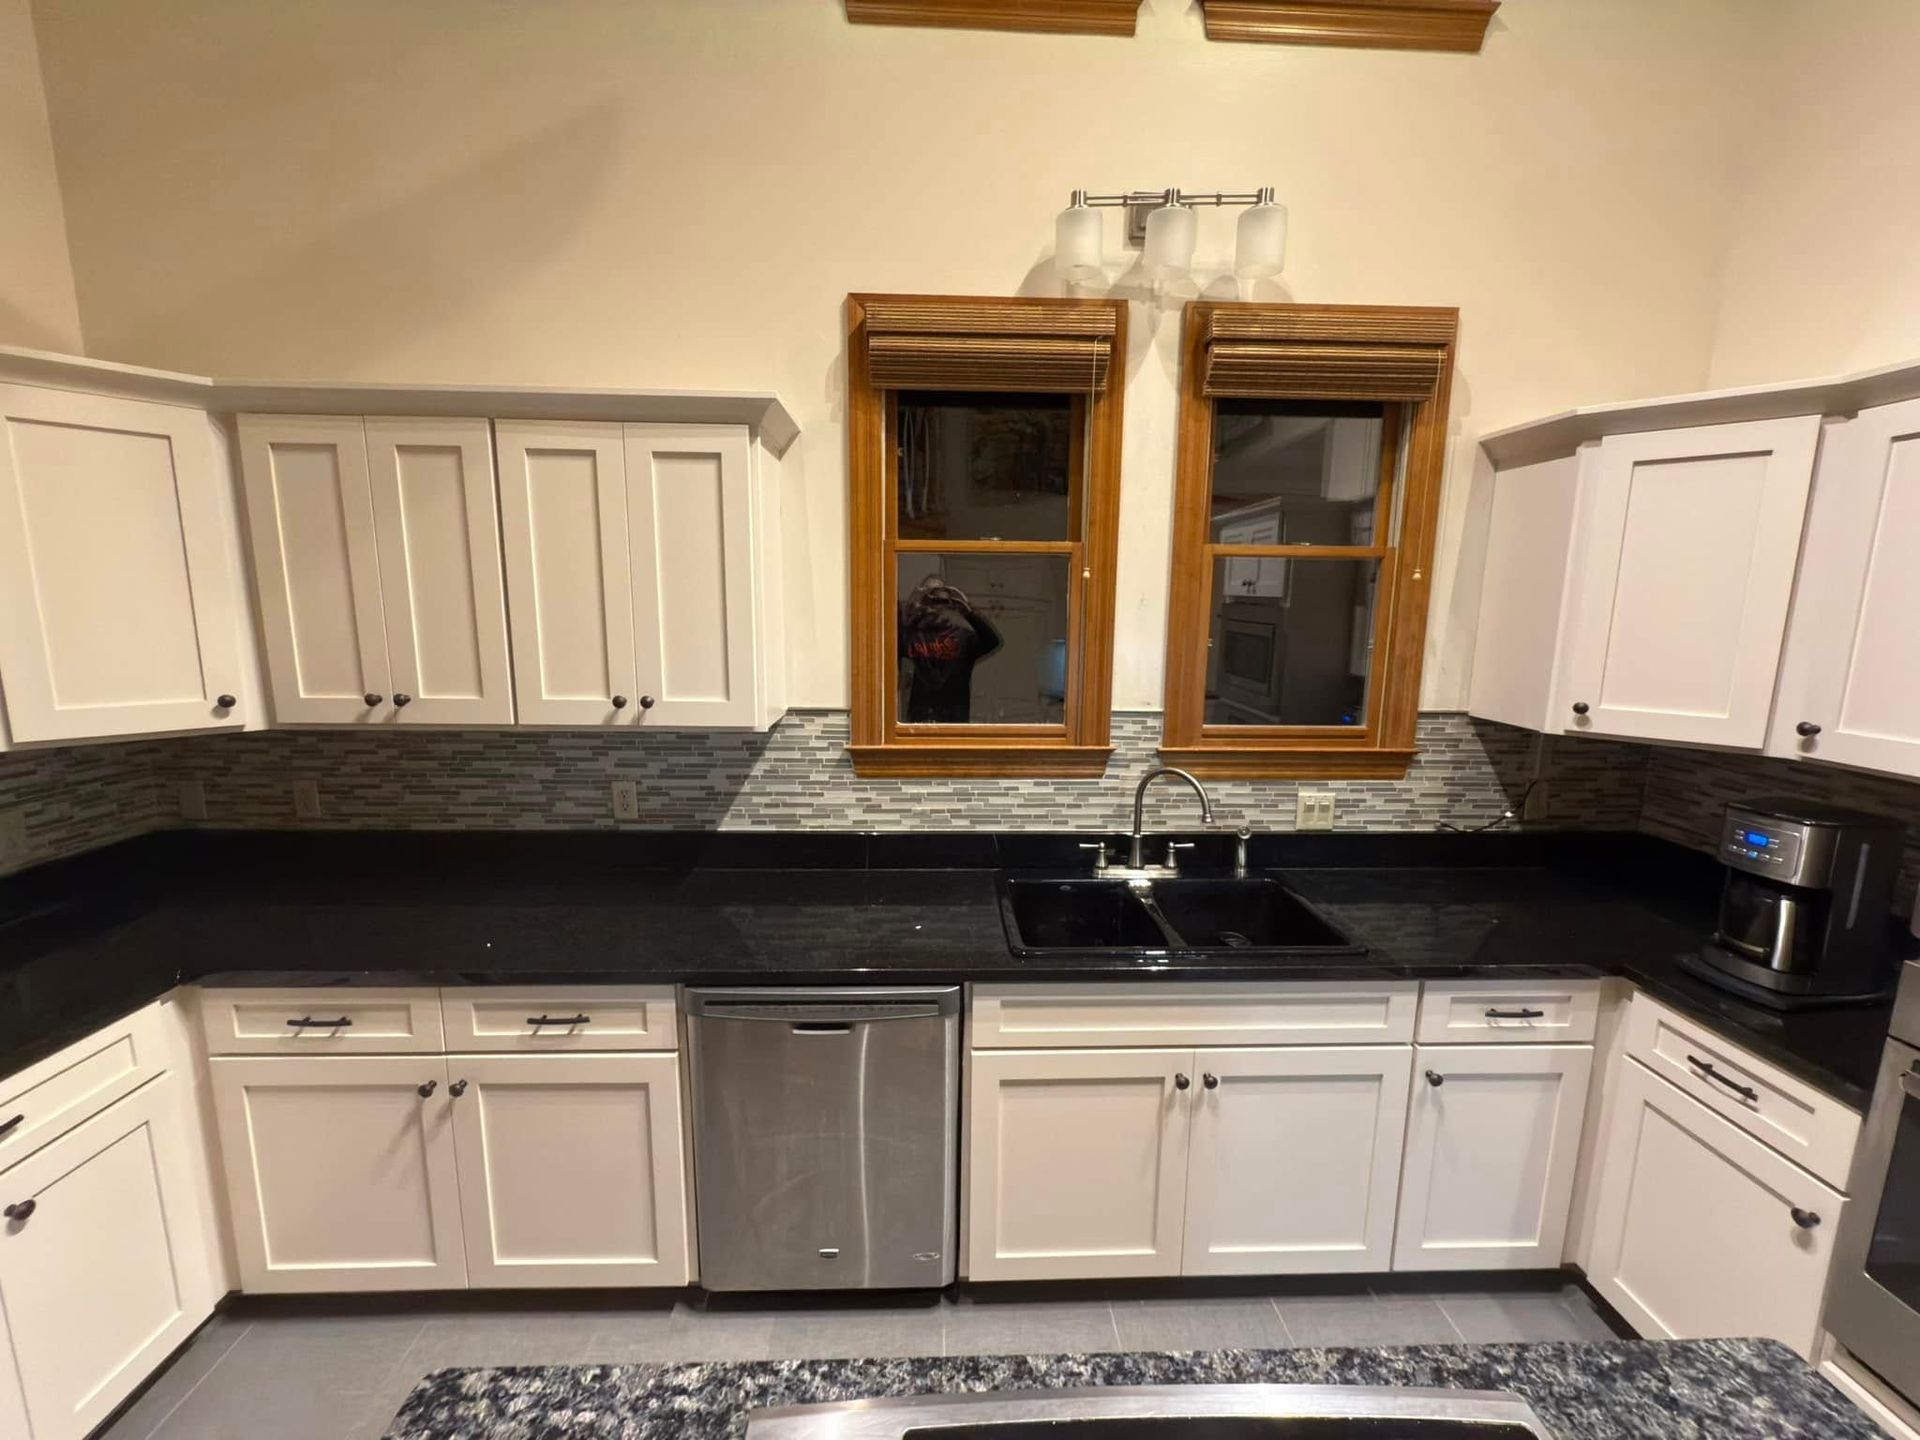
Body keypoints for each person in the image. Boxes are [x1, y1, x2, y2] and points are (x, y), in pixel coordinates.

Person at [898, 577, 1002, 723]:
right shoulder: (913, 634)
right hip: (920, 721)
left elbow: (992, 641)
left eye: (941, 601)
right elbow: (888, 643)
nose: (936, 606)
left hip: (953, 721)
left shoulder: (963, 636)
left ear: (950, 604)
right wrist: (911, 605)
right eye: (930, 599)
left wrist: (969, 611)